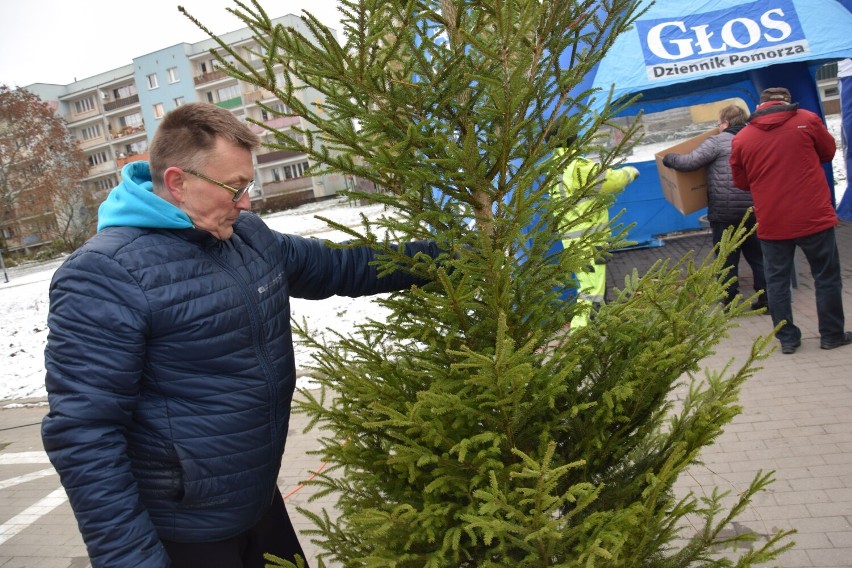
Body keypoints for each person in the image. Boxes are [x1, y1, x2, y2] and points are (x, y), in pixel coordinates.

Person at [41, 102, 440, 567]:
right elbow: (84, 433)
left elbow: (339, 267)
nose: (247, 202)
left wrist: (448, 257)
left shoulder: (246, 236)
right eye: (234, 188)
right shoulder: (105, 274)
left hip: (258, 503)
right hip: (185, 532)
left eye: (247, 186)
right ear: (177, 182)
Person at [730, 87, 851, 354]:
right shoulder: (807, 120)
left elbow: (741, 182)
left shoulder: (742, 138)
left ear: (760, 105)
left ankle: (787, 339)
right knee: (826, 276)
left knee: (777, 281)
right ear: (785, 102)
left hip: (772, 220)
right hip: (813, 216)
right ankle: (831, 335)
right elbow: (828, 152)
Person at [662, 104, 767, 311]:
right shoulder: (757, 138)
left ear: (726, 123)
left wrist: (669, 158)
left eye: (719, 123)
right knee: (758, 257)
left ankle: (730, 302)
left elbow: (689, 162)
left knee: (727, 258)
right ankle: (767, 299)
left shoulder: (717, 142)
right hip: (755, 209)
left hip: (725, 211)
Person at [549, 135, 639, 329]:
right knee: (592, 294)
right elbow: (609, 181)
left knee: (589, 289)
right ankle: (579, 339)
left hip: (572, 239)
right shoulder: (577, 166)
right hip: (589, 239)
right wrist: (630, 172)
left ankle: (594, 334)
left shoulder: (555, 168)